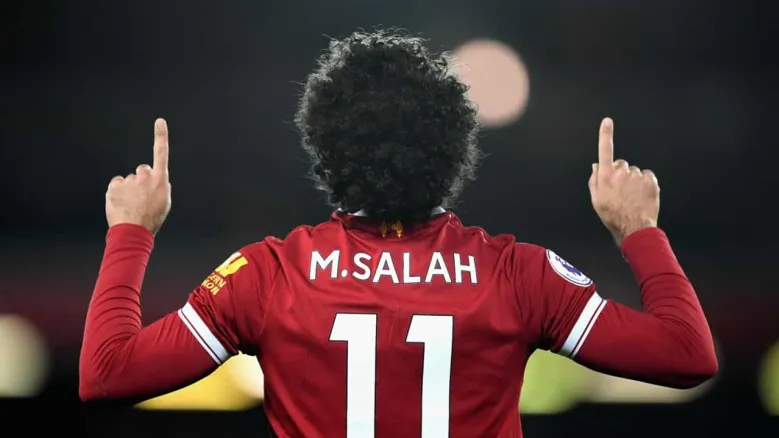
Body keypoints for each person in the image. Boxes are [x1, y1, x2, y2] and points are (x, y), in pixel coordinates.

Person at [79, 30, 718, 438]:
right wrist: (638, 230)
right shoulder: (517, 276)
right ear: (452, 148)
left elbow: (105, 376)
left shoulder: (269, 276)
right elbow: (689, 356)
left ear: (326, 148)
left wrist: (132, 232)